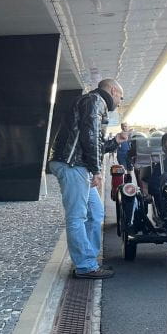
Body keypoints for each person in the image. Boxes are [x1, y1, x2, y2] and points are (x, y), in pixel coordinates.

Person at [48, 78, 124, 279]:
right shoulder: (94, 101)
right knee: (77, 217)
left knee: (96, 212)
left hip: (77, 164)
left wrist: (116, 141)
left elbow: (93, 142)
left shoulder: (92, 102)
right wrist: (97, 170)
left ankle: (88, 258)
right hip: (73, 165)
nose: (120, 102)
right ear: (113, 90)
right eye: (121, 97)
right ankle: (85, 266)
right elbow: (90, 137)